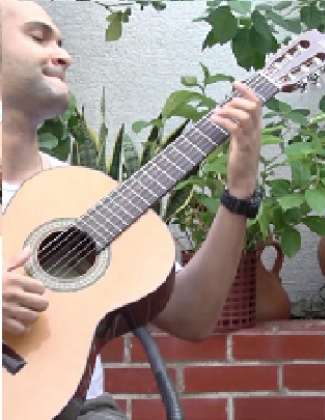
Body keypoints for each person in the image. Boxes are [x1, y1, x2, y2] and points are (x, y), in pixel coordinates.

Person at [1, 1, 264, 418]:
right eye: (38, 37)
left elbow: (194, 316)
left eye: (63, 42)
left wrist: (240, 190)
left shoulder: (80, 195)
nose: (64, 54)